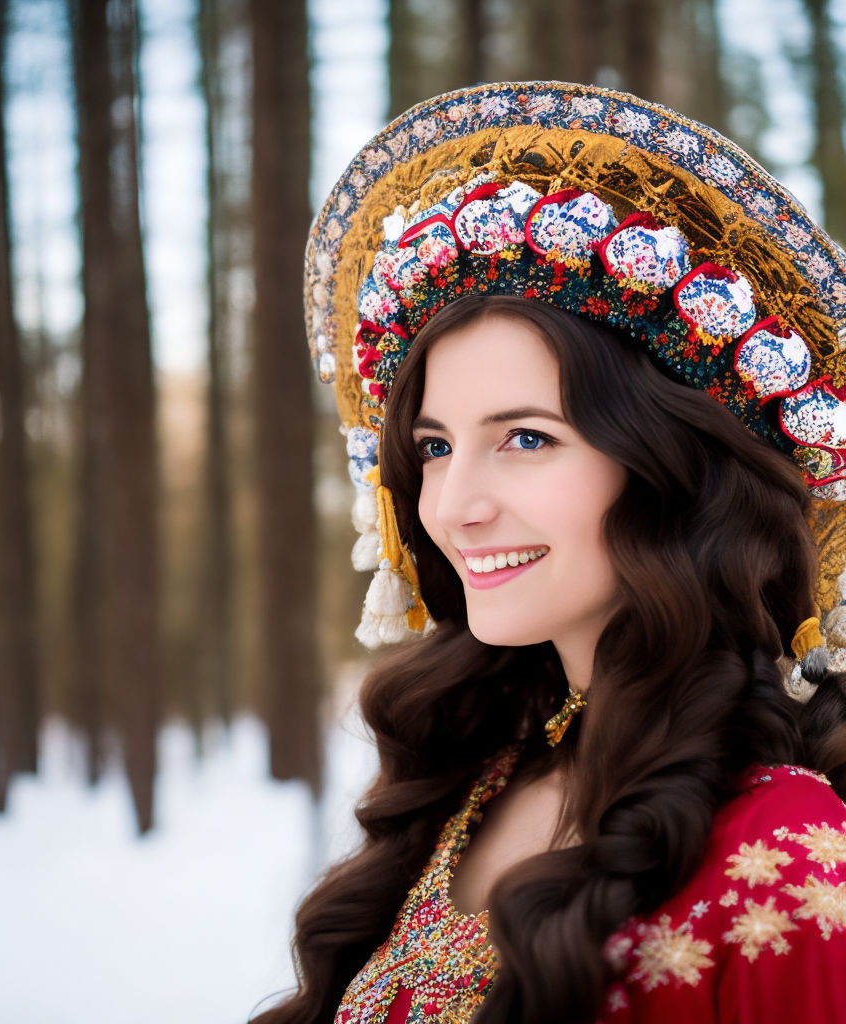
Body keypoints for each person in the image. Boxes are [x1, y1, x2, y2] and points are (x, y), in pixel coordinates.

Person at [253, 82, 846, 1024]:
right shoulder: (480, 771)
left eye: (527, 438)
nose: (454, 507)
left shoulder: (786, 855)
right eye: (436, 447)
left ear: (672, 469)